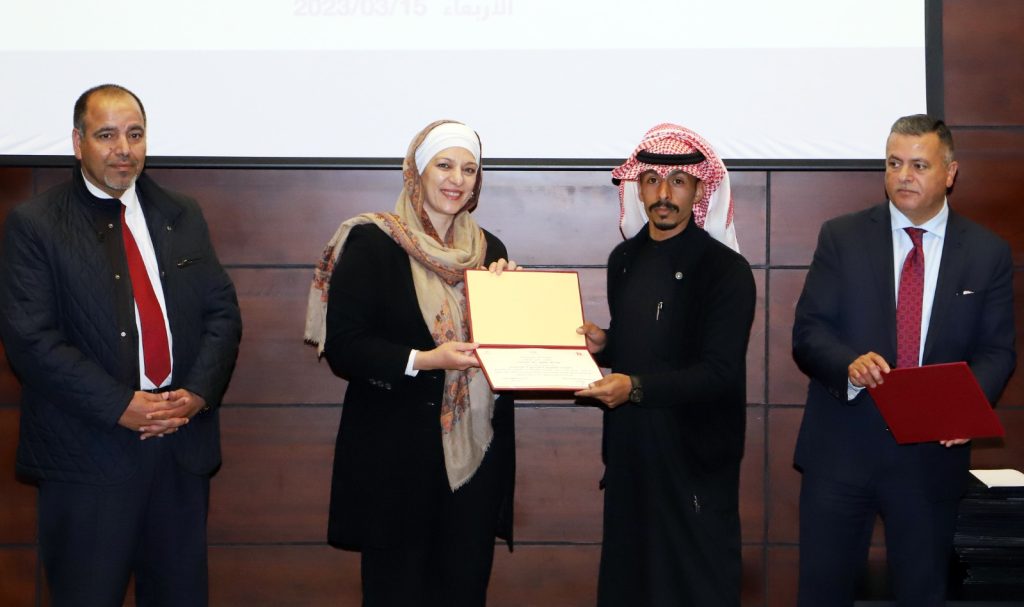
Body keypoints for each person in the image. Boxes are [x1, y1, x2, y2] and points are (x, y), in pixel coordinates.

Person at [0, 84, 242, 606]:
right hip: (87, 455)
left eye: (135, 134)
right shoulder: (36, 225)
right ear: (77, 142)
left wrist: (197, 393)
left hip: (178, 449)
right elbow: (31, 340)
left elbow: (222, 312)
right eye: (106, 135)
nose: (123, 149)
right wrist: (120, 406)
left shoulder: (182, 213)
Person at [792, 114, 1016, 606]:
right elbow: (808, 332)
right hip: (841, 453)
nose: (904, 176)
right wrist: (849, 365)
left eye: (919, 165)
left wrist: (964, 408)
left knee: (922, 593)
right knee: (822, 593)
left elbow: (997, 351)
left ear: (950, 173)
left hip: (929, 460)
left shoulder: (987, 253)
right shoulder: (842, 237)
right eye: (894, 164)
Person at [304, 120, 517, 606]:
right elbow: (344, 346)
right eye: (444, 165)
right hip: (395, 461)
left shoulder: (491, 252)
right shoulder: (372, 242)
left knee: (464, 591)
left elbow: (502, 351)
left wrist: (515, 300)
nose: (457, 179)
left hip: (473, 460)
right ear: (416, 171)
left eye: (469, 169)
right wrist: (424, 359)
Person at [575, 123, 756, 606]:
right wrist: (606, 345)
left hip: (694, 457)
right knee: (630, 583)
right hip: (632, 453)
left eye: (678, 182)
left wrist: (633, 387)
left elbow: (718, 372)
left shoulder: (725, 270)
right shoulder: (624, 259)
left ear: (699, 188)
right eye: (652, 180)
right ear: (638, 187)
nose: (663, 194)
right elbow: (650, 342)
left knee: (692, 587)